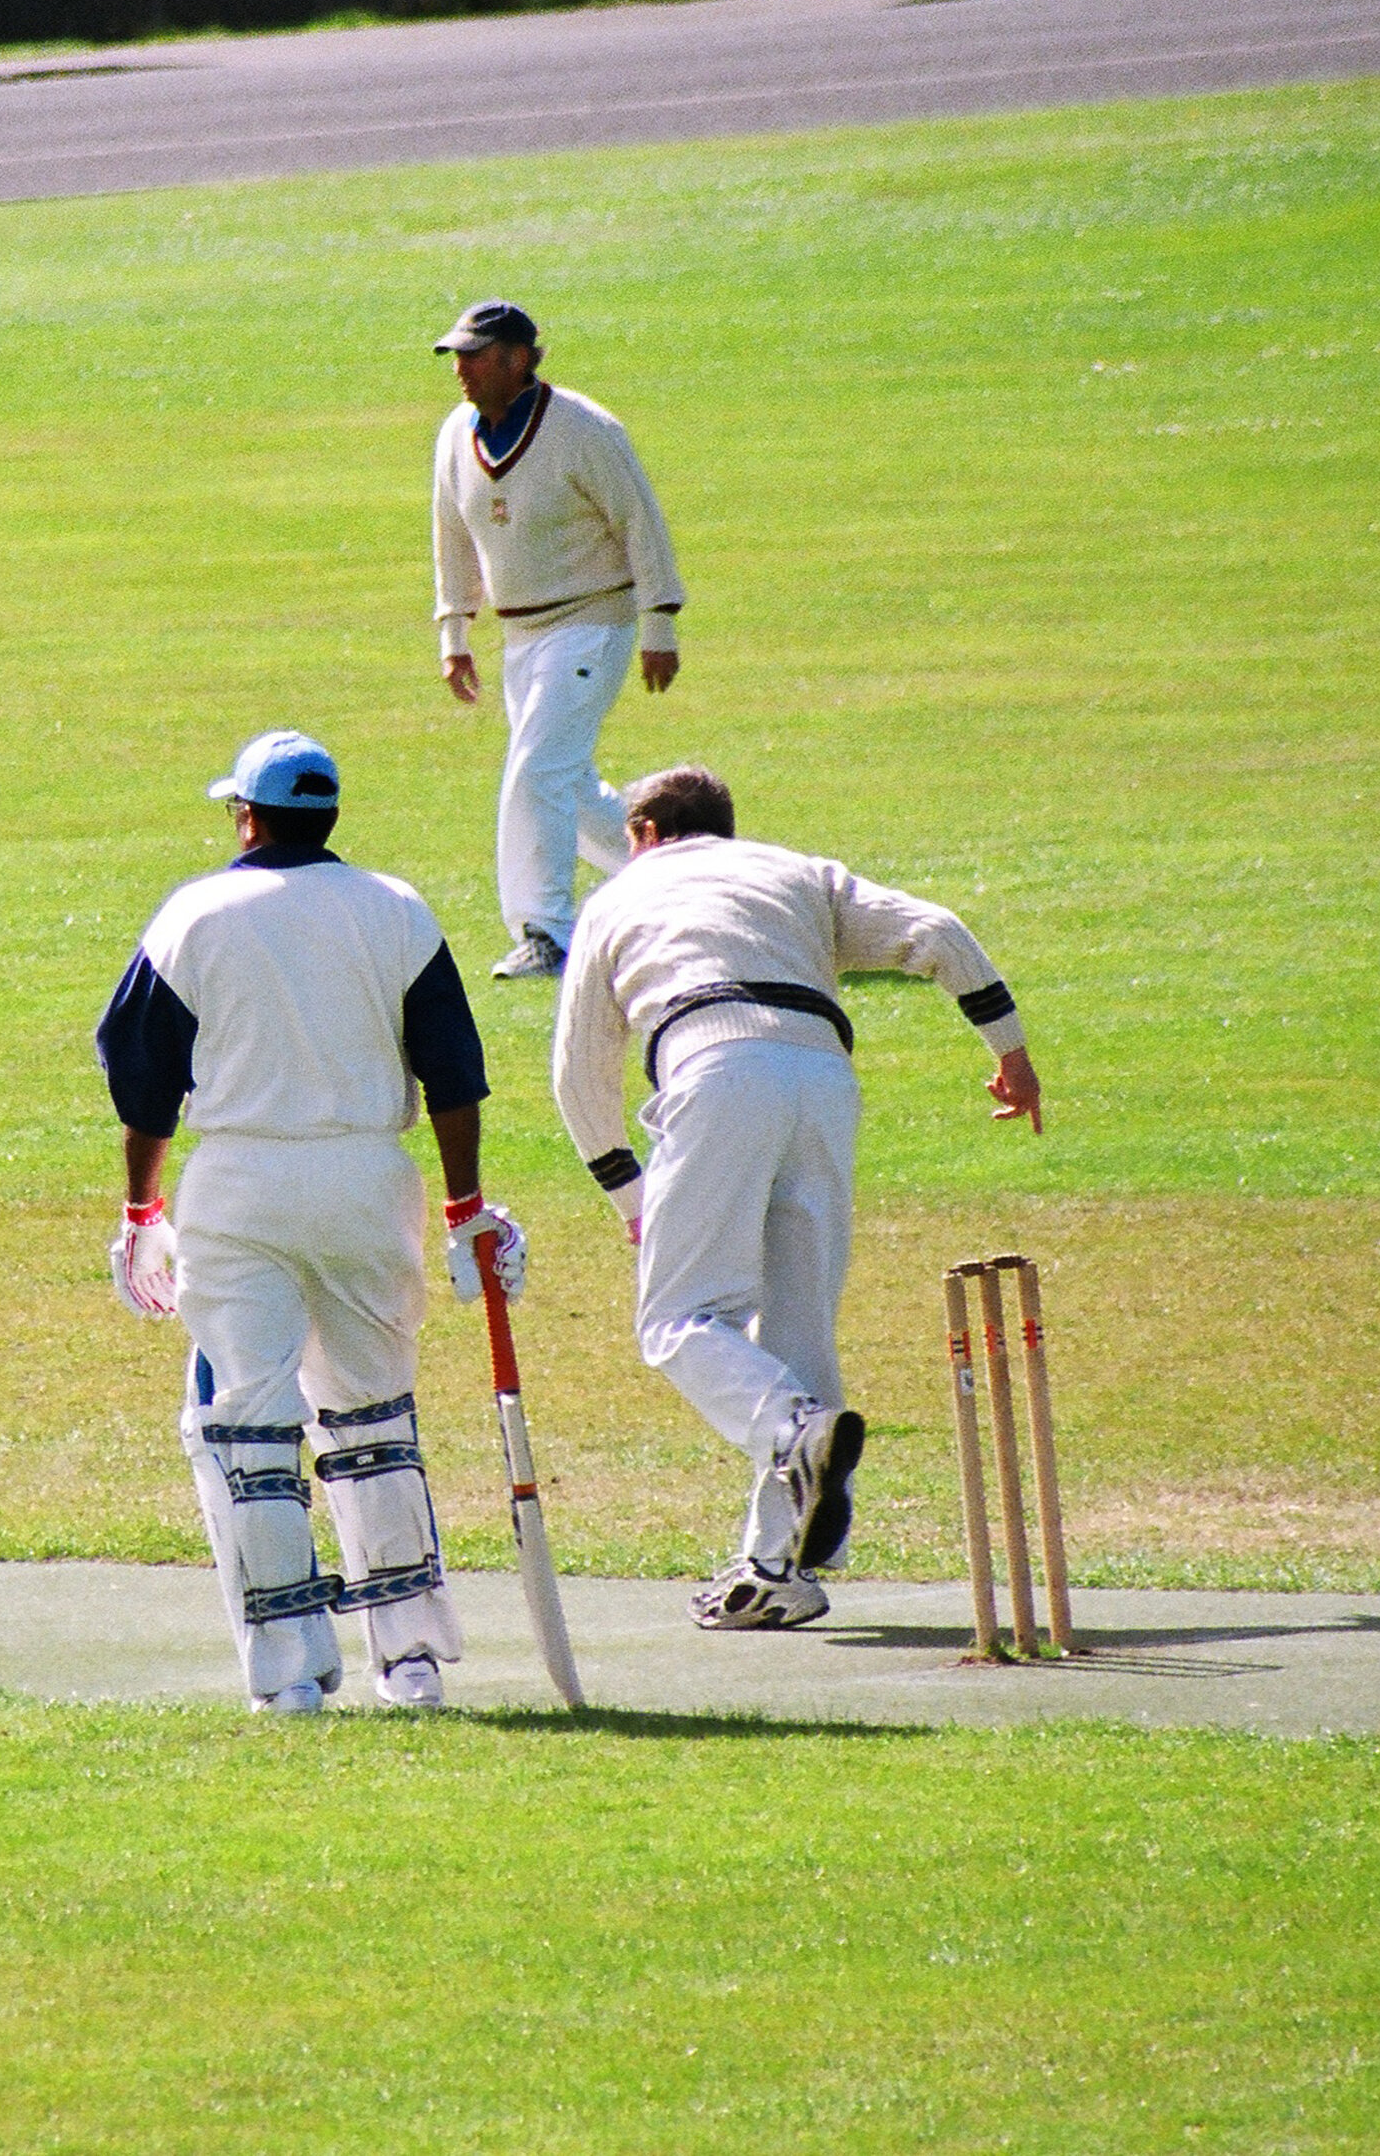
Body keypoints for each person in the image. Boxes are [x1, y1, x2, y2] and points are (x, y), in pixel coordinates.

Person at [551, 762, 1042, 1631]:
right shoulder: (795, 874)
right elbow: (934, 930)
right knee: (797, 1327)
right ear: (722, 827)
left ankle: (790, 1435)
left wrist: (631, 1198)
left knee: (676, 1321)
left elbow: (577, 1073)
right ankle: (773, 1567)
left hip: (710, 1066)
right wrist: (1008, 1050)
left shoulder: (617, 898)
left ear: (641, 834)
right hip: (823, 1078)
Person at [95, 727, 524, 1713]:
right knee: (375, 1415)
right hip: (369, 1183)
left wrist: (139, 1207)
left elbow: (142, 1082)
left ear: (246, 816)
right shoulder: (396, 907)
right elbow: (454, 1074)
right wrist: (465, 1207)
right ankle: (410, 1657)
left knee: (247, 1422)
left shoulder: (195, 910)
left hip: (240, 1185)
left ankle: (290, 1673)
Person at [426, 299, 685, 983]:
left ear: (517, 358)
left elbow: (640, 523)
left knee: (535, 769)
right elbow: (451, 535)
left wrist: (658, 621)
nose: (460, 369)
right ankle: (678, 871)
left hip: (591, 623)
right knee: (564, 787)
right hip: (521, 636)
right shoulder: (456, 434)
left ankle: (545, 931)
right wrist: (454, 630)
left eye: (473, 355)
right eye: (455, 355)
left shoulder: (583, 429)